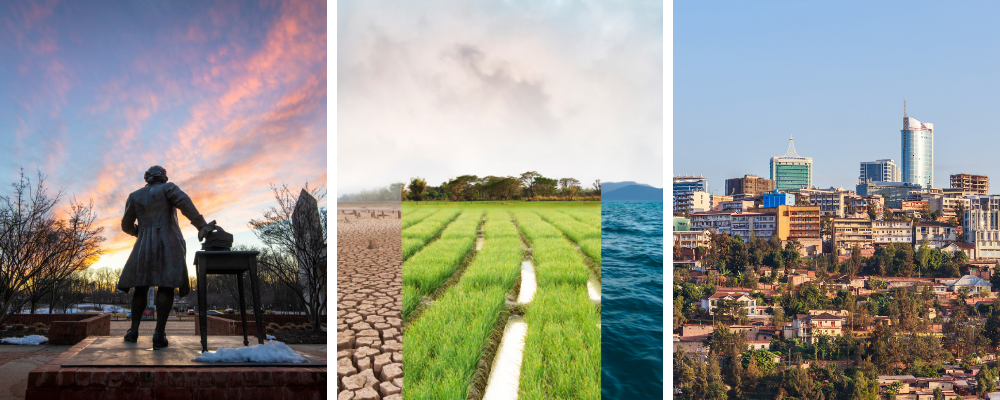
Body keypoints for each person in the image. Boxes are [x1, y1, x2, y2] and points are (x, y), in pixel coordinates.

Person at [116, 166, 213, 349]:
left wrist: (141, 233)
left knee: (141, 287)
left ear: (147, 178)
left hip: (143, 245)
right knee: (166, 285)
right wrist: (201, 225)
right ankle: (159, 334)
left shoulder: (134, 195)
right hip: (168, 243)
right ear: (164, 177)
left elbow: (126, 225)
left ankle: (133, 331)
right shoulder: (169, 188)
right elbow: (184, 202)